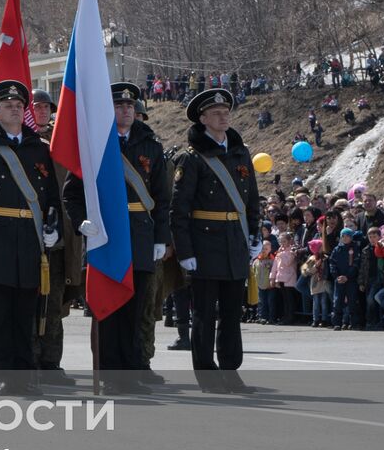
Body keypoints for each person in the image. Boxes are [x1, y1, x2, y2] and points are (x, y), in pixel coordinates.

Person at [62, 82, 171, 394]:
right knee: (109, 308)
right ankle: (111, 374)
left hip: (139, 233)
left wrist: (160, 237)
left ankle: (133, 373)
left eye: (129, 106)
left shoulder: (149, 144)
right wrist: (81, 220)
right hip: (107, 235)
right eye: (119, 106)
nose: (126, 111)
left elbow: (162, 198)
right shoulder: (95, 143)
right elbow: (72, 194)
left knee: (138, 309)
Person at [0, 80, 61, 396]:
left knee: (26, 315)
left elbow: (52, 198)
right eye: (7, 105)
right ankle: (4, 377)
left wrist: (53, 228)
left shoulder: (41, 150)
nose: (15, 109)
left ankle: (25, 375)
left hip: (30, 242)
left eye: (19, 105)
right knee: (1, 316)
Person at [170, 88, 260, 393]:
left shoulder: (240, 152)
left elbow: (251, 199)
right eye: (216, 113)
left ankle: (230, 370)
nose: (224, 117)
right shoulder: (191, 159)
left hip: (234, 241)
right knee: (205, 314)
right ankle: (207, 374)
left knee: (233, 313)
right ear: (203, 118)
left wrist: (254, 233)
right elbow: (179, 209)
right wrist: (185, 250)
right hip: (205, 244)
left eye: (226, 112)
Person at [29, 88, 78, 386]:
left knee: (55, 303)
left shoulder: (62, 145)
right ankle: (30, 359)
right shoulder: (24, 145)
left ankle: (51, 361)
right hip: (27, 237)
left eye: (47, 107)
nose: (43, 111)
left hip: (58, 237)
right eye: (37, 106)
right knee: (31, 304)